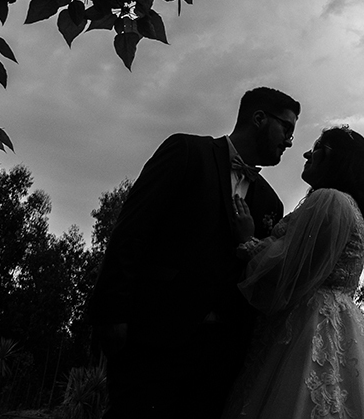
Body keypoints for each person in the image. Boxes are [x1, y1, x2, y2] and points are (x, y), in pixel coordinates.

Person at [86, 86, 301, 419]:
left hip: (221, 357)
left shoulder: (271, 202)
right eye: (286, 128)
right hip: (155, 338)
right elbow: (132, 229)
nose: (289, 141)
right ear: (259, 118)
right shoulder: (186, 151)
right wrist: (111, 312)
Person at [222, 126, 364, 419]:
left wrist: (247, 239)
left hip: (310, 325)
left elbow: (289, 272)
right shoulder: (350, 206)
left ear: (336, 159)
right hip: (341, 324)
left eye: (318, 147)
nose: (307, 153)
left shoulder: (329, 200)